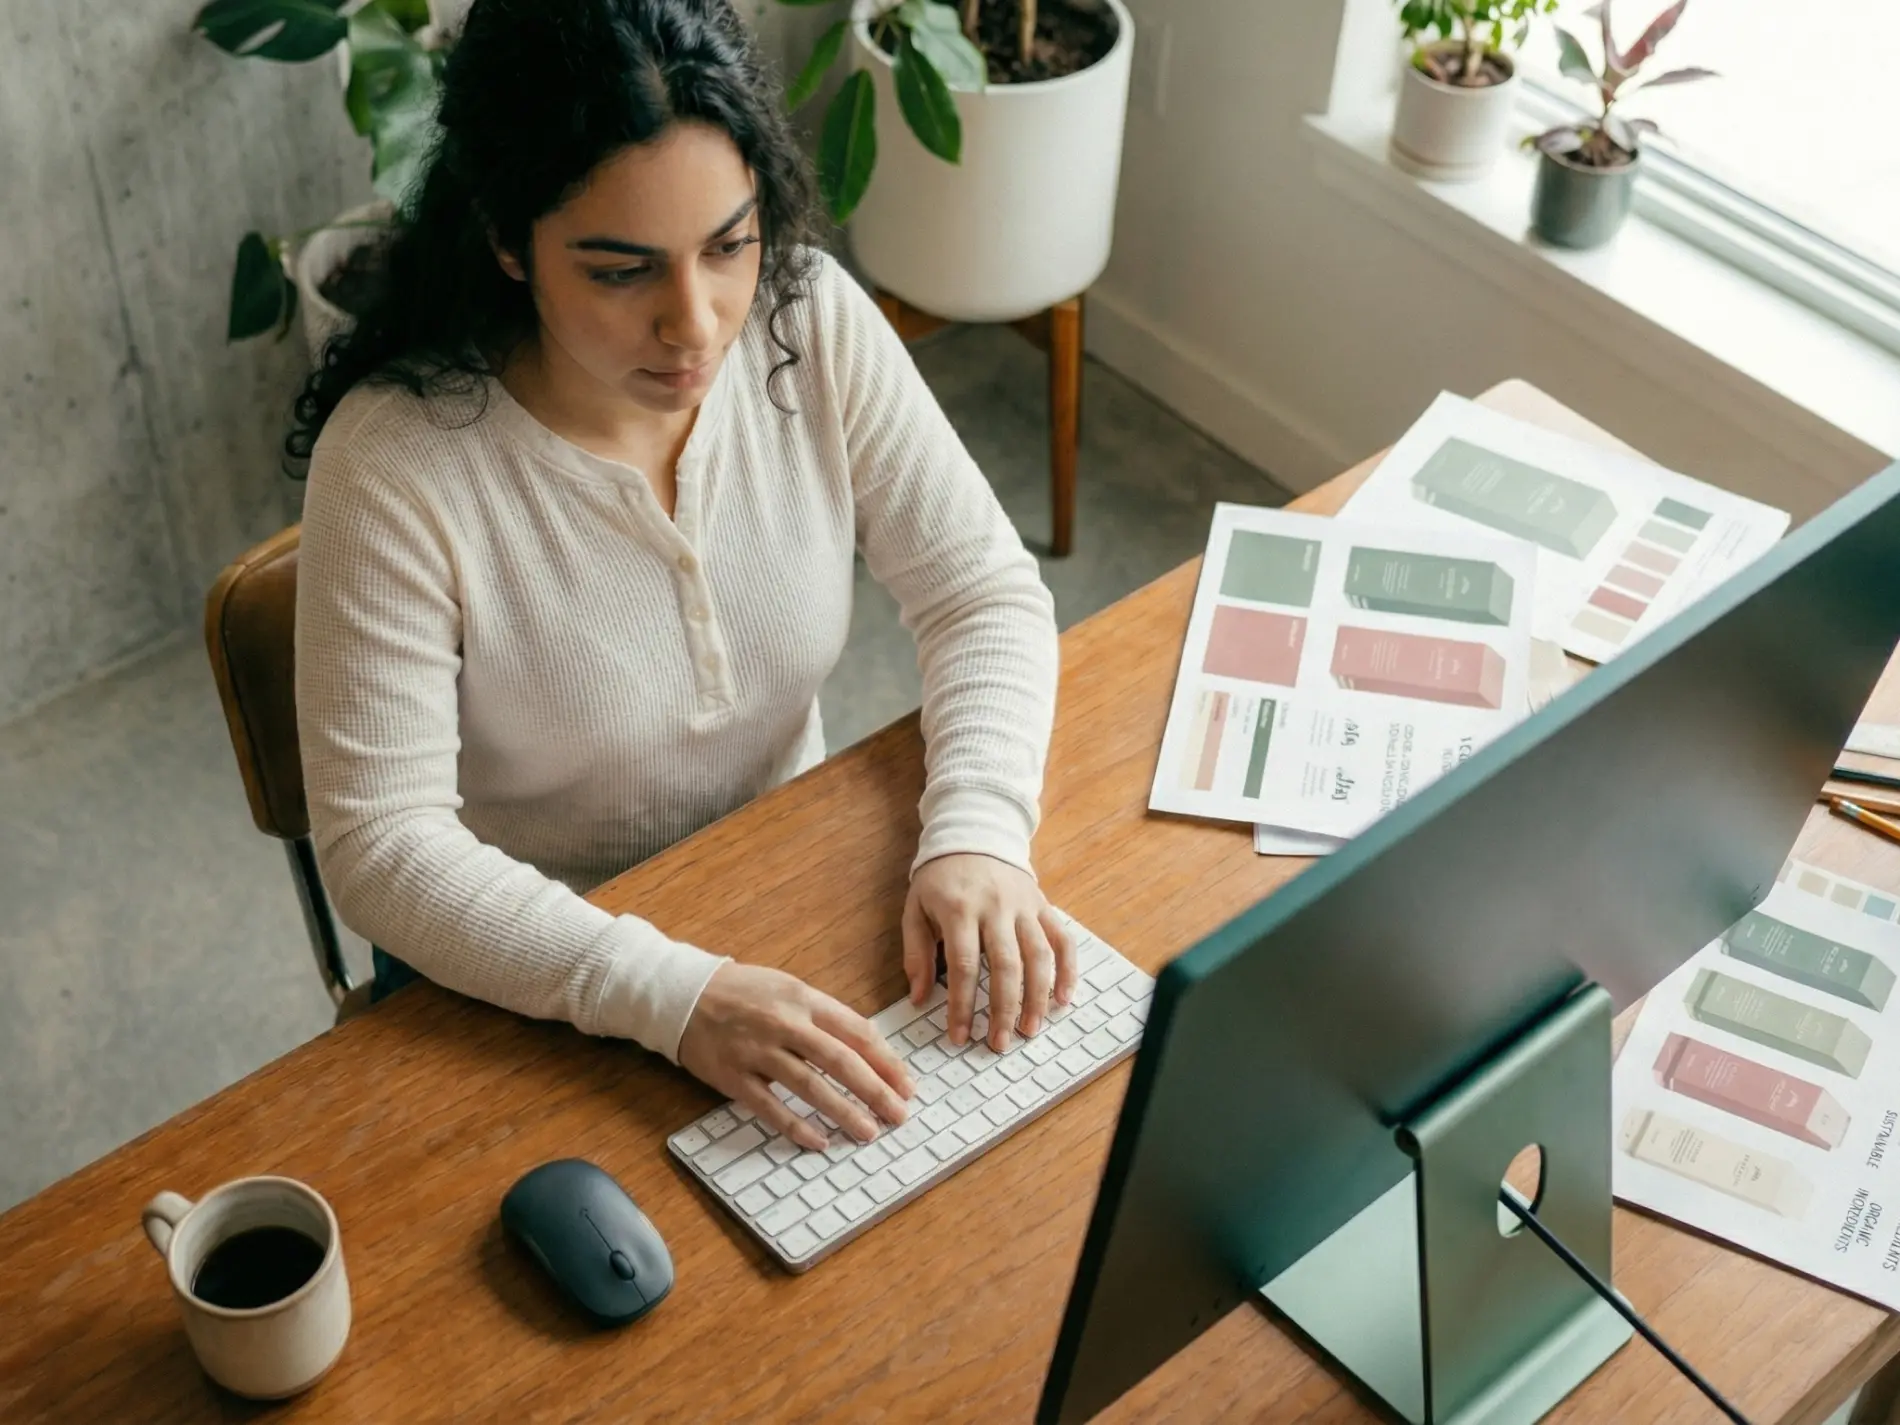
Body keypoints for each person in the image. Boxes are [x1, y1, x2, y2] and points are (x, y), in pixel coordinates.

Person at [291, 0, 1071, 1155]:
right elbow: (383, 848)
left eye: (728, 243)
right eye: (621, 271)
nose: (697, 325)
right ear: (510, 242)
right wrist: (671, 996)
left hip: (784, 888)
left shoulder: (805, 320)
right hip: (528, 978)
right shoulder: (396, 467)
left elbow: (980, 594)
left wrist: (975, 831)